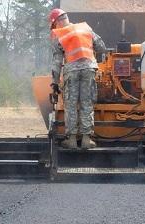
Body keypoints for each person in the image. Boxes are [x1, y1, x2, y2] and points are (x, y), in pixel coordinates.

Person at [48, 8, 106, 149]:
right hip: (89, 69)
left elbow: (57, 63)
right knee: (87, 103)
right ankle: (86, 140)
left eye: (54, 25)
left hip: (71, 72)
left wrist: (55, 83)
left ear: (56, 22)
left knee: (71, 105)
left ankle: (72, 140)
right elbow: (102, 47)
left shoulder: (60, 35)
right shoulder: (85, 28)